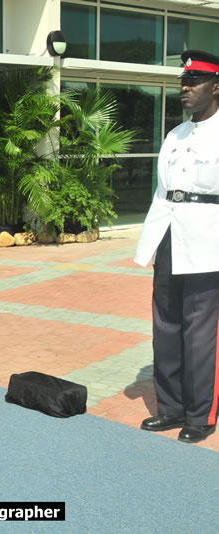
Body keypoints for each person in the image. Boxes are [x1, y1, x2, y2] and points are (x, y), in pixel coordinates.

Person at [134, 50, 219, 444]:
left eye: (194, 82)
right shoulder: (174, 135)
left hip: (208, 241)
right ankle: (171, 408)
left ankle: (201, 413)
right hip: (170, 234)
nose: (185, 88)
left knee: (200, 331)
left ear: (215, 88)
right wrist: (149, 242)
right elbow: (162, 191)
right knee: (165, 326)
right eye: (183, 82)